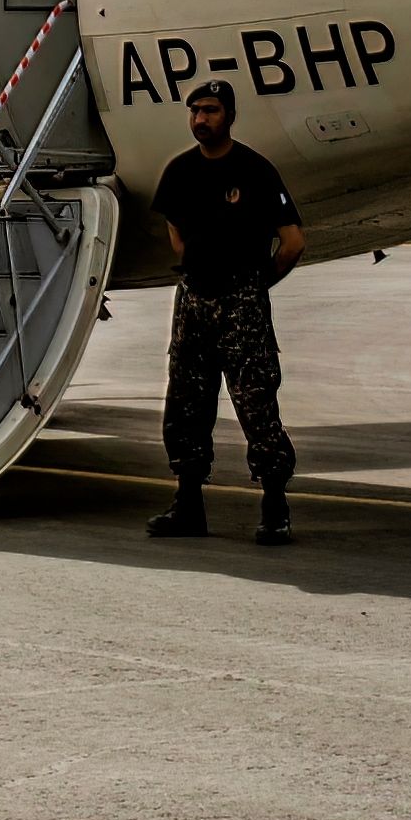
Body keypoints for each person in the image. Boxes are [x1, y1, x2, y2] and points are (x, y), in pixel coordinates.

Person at [146, 76, 305, 544]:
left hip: (241, 302)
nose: (201, 119)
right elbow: (177, 234)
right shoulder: (179, 172)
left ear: (230, 116)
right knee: (186, 404)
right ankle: (188, 503)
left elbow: (293, 242)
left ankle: (275, 505)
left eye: (211, 110)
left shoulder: (255, 170)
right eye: (195, 111)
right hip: (194, 301)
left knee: (256, 403)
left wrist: (253, 286)